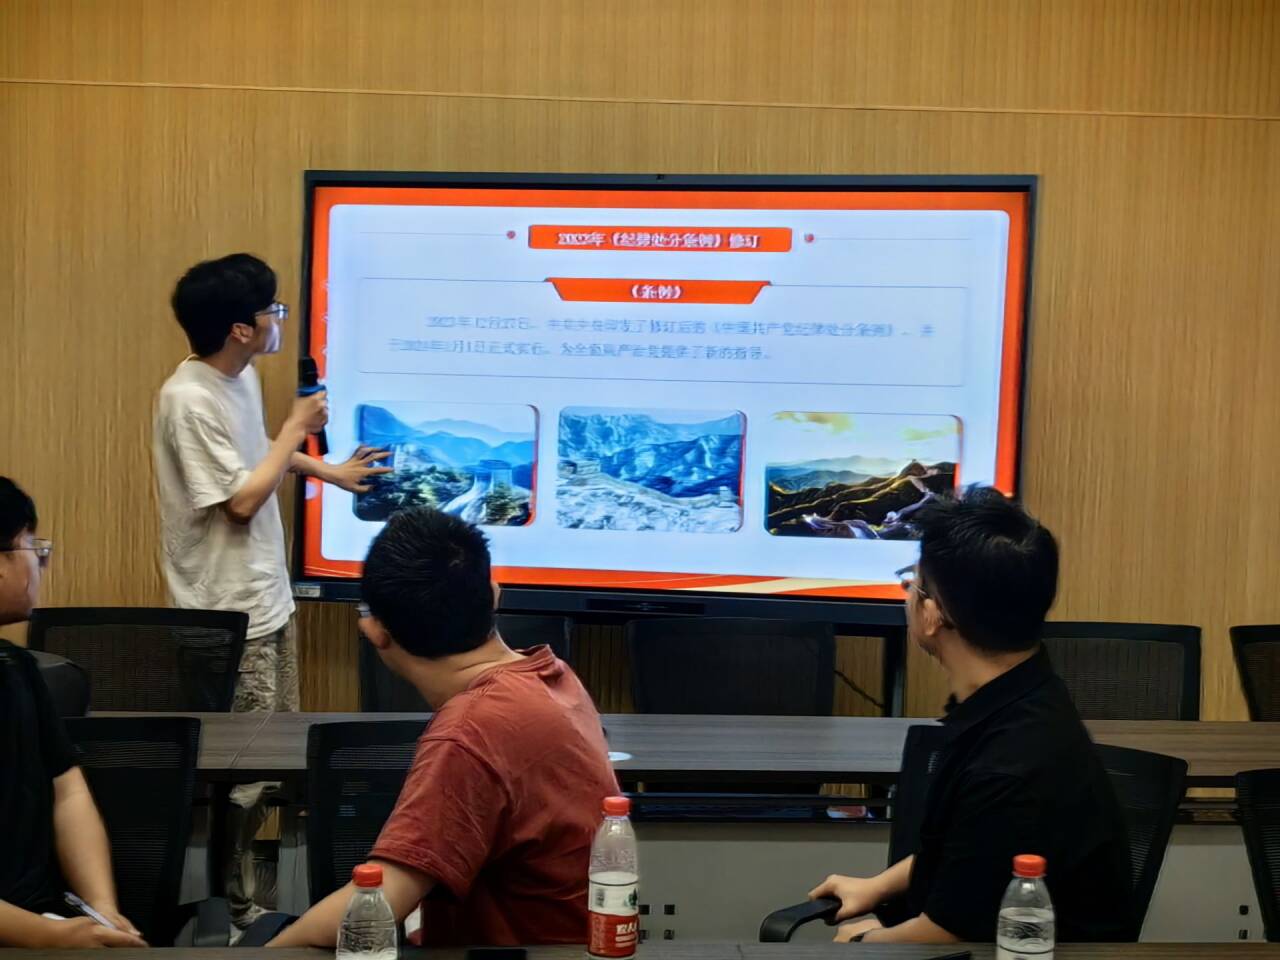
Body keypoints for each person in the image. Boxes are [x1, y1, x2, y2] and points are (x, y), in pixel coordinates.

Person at [152, 253, 390, 930]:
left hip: (267, 600)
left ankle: (251, 906)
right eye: (272, 310)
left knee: (276, 763)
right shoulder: (187, 398)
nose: (280, 318)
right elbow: (238, 504)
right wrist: (295, 426)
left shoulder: (239, 376)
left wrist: (328, 470)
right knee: (244, 777)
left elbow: (255, 453)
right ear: (241, 329)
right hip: (226, 617)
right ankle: (238, 917)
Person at [269, 507, 619, 947]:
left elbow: (379, 901)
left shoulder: (471, 732)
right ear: (494, 595)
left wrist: (269, 952)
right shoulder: (552, 675)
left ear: (374, 631)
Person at [808, 487, 1132, 944]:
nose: (907, 593)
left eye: (913, 582)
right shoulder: (1022, 698)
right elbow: (972, 853)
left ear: (932, 614)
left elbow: (950, 932)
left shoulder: (1010, 766)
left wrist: (863, 943)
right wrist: (877, 887)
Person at [0, 477, 147, 948]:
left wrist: (101, 907)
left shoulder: (17, 669)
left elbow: (67, 791)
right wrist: (48, 935)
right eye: (31, 546)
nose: (39, 562)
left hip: (44, 922)